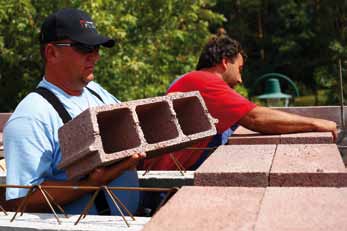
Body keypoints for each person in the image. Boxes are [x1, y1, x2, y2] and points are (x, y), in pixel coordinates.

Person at [3, 8, 145, 215]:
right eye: (84, 47)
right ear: (52, 52)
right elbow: (22, 200)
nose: (95, 57)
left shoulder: (96, 92)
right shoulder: (31, 116)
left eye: (97, 48)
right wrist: (90, 184)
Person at [142, 35, 337, 171]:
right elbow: (255, 118)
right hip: (163, 182)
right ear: (226, 62)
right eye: (240, 69)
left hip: (170, 173)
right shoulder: (205, 82)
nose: (241, 79)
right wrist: (315, 123)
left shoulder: (193, 81)